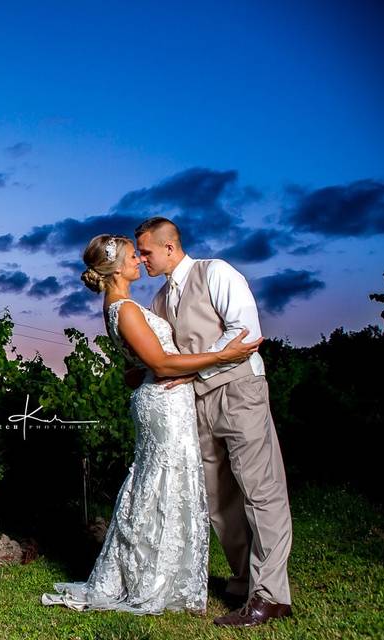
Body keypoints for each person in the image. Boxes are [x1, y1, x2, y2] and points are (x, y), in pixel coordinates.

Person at [41, 234, 260, 615]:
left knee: (159, 485)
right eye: (132, 257)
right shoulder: (124, 308)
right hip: (163, 402)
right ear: (114, 269)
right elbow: (159, 365)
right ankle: (152, 580)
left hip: (162, 398)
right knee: (162, 485)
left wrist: (154, 368)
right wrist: (223, 355)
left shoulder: (120, 307)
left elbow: (134, 370)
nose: (139, 262)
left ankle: (162, 573)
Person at [135, 217, 293, 627]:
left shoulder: (216, 272)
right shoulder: (157, 301)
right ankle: (243, 579)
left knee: (261, 490)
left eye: (146, 251)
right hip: (197, 404)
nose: (142, 258)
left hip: (240, 390)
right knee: (218, 499)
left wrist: (193, 372)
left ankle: (271, 595)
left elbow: (246, 333)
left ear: (169, 248)